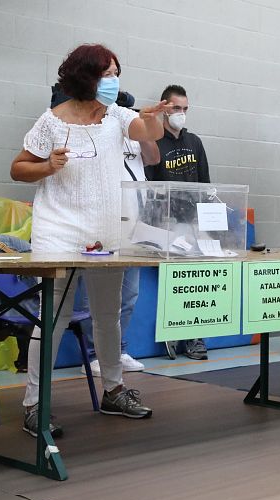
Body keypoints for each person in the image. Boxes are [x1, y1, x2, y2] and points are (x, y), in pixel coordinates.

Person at [10, 43, 164, 436]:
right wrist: (47, 165)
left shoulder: (115, 116)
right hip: (58, 229)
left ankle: (113, 389)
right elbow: (18, 168)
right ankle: (34, 404)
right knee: (53, 317)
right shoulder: (51, 121)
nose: (114, 81)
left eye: (116, 73)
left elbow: (149, 134)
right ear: (86, 76)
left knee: (107, 316)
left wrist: (152, 118)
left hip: (107, 229)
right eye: (108, 74)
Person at [57, 90, 160, 377]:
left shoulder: (135, 133)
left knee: (129, 293)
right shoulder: (101, 132)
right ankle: (93, 355)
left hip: (135, 219)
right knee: (97, 296)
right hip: (105, 219)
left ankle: (118, 350)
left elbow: (153, 158)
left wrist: (145, 128)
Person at [144, 84, 210, 360]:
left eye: (185, 109)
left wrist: (205, 224)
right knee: (171, 280)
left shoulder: (194, 142)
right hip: (164, 223)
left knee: (193, 281)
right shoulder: (153, 142)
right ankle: (171, 330)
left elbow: (205, 184)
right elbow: (146, 184)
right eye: (176, 108)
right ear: (164, 108)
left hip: (190, 222)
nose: (181, 113)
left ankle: (194, 336)